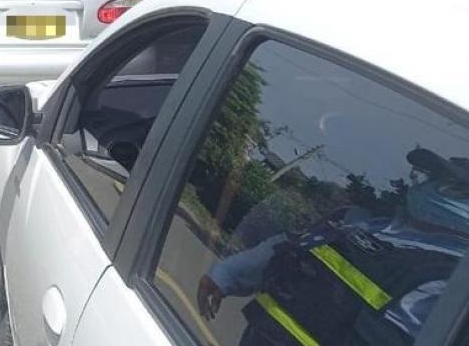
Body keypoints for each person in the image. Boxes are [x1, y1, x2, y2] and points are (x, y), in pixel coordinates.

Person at [196, 148, 469, 346]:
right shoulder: (366, 221)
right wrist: (226, 275)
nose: (429, 185)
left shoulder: (449, 282)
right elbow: (291, 247)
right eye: (434, 177)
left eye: (452, 187)